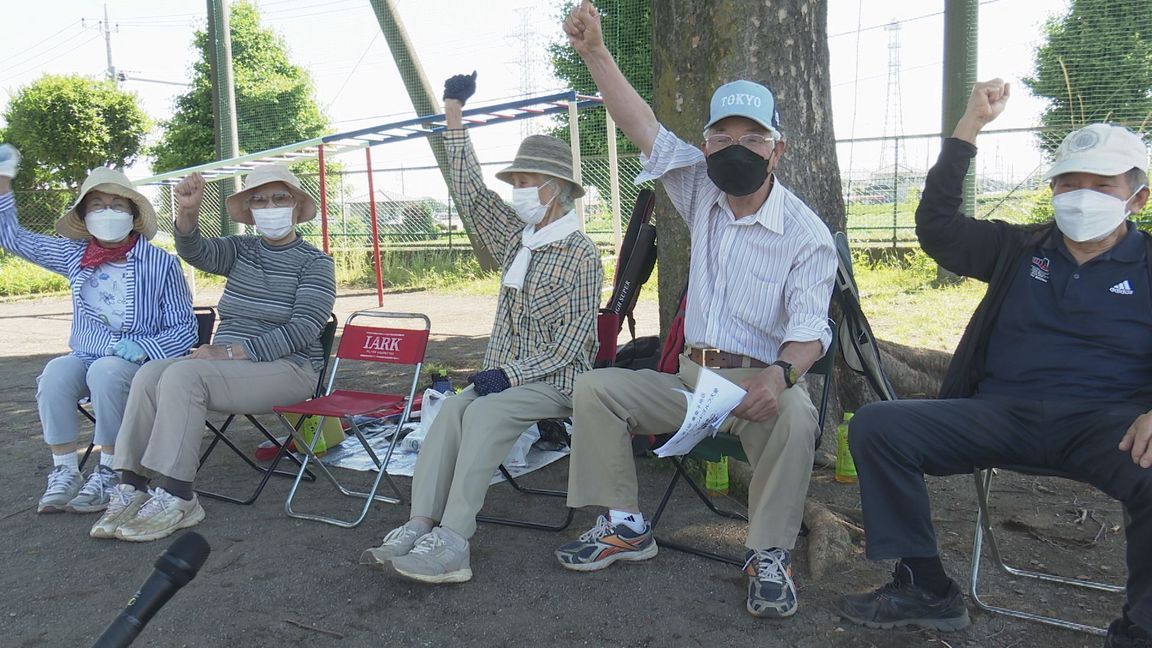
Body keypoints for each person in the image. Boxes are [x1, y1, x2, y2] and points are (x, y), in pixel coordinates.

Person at [836, 79, 1152, 648]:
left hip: (1108, 427)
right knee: (879, 426)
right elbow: (937, 228)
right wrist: (969, 126)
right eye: (1069, 183)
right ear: (1052, 190)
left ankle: (1140, 627)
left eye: (1102, 185)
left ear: (1138, 197)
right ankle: (925, 587)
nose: (1082, 196)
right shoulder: (1018, 248)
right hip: (1000, 414)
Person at [555, 2, 837, 619]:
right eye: (723, 137)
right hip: (689, 382)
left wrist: (779, 376)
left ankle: (769, 554)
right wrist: (595, 52)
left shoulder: (806, 235)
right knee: (596, 389)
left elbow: (810, 333)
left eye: (752, 138)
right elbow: (641, 126)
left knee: (796, 414)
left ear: (777, 150)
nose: (737, 148)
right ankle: (626, 526)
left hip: (755, 386)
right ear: (706, 144)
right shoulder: (700, 189)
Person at [359, 71, 603, 584]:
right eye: (515, 182)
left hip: (557, 382)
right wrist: (453, 112)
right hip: (505, 378)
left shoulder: (581, 253)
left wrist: (509, 375)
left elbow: (573, 343)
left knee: (487, 413)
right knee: (451, 411)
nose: (517, 191)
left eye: (526, 182)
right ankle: (420, 523)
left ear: (557, 189)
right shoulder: (519, 237)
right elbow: (470, 193)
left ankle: (454, 542)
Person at [91, 166, 337, 543]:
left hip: (289, 368)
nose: (269, 207)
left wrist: (231, 351)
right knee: (150, 373)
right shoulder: (241, 250)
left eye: (280, 198)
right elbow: (195, 250)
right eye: (259, 200)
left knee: (184, 375)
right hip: (229, 368)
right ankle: (131, 485)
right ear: (249, 211)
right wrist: (188, 211)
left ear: (297, 206)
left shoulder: (316, 264)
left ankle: (178, 496)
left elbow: (304, 328)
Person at [0, 145, 197, 515]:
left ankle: (111, 471)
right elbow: (14, 239)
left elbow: (185, 329)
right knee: (55, 374)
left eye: (117, 205)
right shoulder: (73, 255)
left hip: (139, 364)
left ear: (133, 215)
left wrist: (145, 347)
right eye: (97, 205)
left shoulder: (161, 264)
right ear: (84, 216)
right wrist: (3, 182)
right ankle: (65, 470)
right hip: (87, 353)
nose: (107, 212)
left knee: (106, 372)